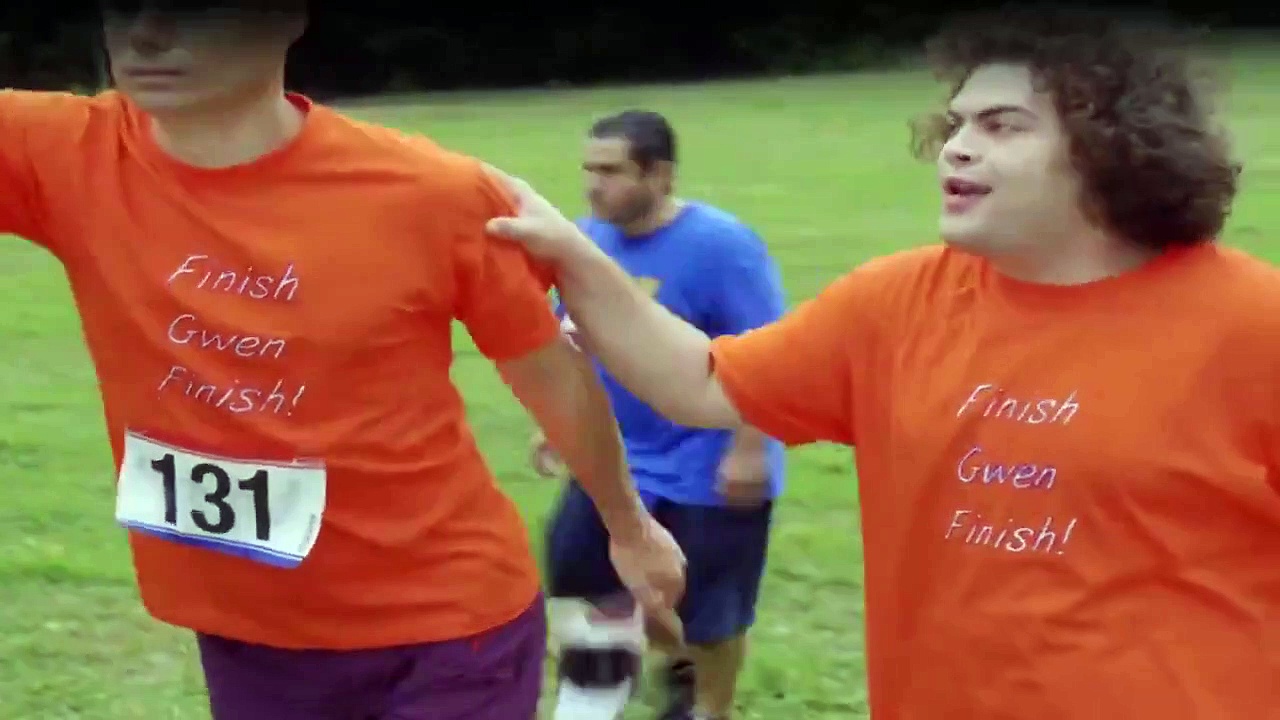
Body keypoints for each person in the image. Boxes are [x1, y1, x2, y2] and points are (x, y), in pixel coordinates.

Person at [485, 7, 1280, 720]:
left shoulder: (1253, 325)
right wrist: (573, 257)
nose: (958, 146)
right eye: (956, 124)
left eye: (1003, 126)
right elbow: (701, 382)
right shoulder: (898, 301)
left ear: (1114, 149)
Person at [3, 3, 685, 719]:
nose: (144, 34)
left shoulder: (429, 193)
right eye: (124, 4)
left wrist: (629, 527)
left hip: (445, 630)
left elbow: (550, 375)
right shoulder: (65, 154)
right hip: (248, 636)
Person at [532, 111, 785, 720]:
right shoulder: (585, 242)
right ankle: (650, 673)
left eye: (611, 171)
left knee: (710, 617)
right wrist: (557, 422)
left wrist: (750, 449)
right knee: (583, 577)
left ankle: (708, 707)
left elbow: (772, 351)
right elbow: (571, 340)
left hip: (709, 464)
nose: (594, 185)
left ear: (661, 175)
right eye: (589, 170)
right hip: (618, 459)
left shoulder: (723, 247)